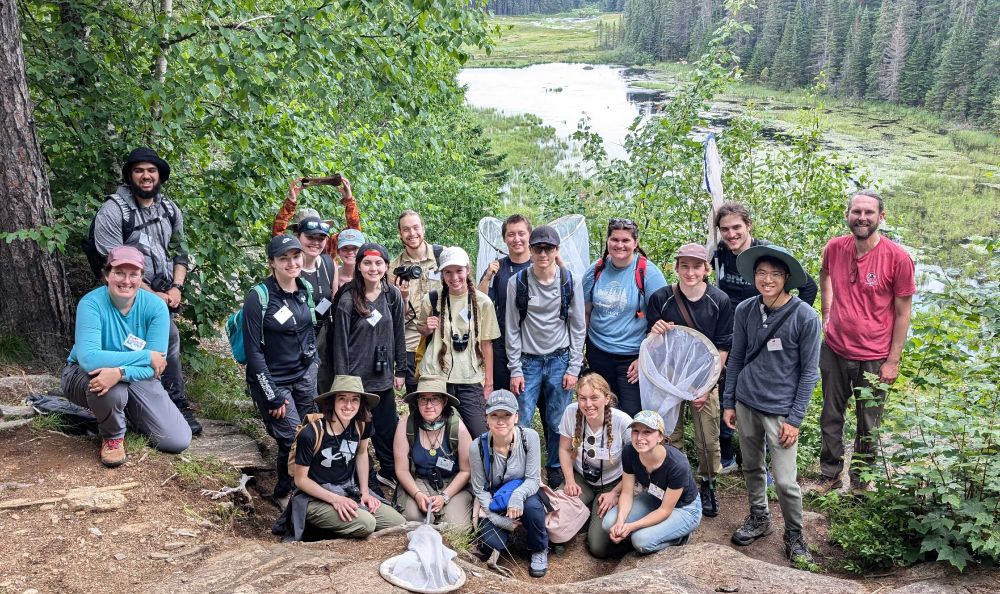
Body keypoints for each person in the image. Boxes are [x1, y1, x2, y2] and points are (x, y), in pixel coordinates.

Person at [721, 244, 821, 566]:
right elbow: (736, 357)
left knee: (785, 480)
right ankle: (759, 517)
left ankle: (794, 533)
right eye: (762, 273)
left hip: (781, 410)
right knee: (751, 466)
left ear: (787, 278)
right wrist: (729, 401)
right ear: (754, 276)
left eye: (775, 274)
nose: (767, 280)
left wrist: (795, 418)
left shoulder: (805, 317)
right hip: (746, 401)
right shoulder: (745, 310)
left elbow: (809, 372)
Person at [92, 147, 201, 435]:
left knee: (157, 347)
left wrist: (176, 287)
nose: (146, 176)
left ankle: (157, 406)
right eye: (139, 170)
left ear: (159, 176)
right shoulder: (113, 211)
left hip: (163, 293)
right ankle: (170, 405)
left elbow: (181, 252)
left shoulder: (169, 209)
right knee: (163, 339)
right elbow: (113, 266)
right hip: (123, 295)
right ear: (130, 175)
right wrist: (155, 296)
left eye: (151, 170)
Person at [816, 190, 915, 494]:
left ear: (881, 217)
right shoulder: (835, 248)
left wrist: (893, 360)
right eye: (856, 212)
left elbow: (902, 313)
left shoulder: (897, 258)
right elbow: (825, 274)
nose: (862, 218)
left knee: (868, 422)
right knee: (831, 414)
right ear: (847, 215)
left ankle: (860, 481)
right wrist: (827, 312)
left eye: (869, 213)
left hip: (874, 354)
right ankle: (829, 474)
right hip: (834, 348)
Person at [711, 202, 818, 472]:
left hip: (764, 335)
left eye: (737, 227)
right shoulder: (721, 253)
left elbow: (808, 286)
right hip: (733, 335)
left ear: (748, 226)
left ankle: (769, 465)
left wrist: (786, 321)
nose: (731, 234)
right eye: (725, 229)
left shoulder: (766, 255)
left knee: (765, 398)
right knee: (729, 392)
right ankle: (727, 457)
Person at [61, 246, 192, 466]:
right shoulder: (91, 304)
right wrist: (145, 356)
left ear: (142, 278)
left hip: (136, 376)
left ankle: (122, 412)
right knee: (110, 388)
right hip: (83, 373)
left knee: (176, 440)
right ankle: (113, 437)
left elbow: (155, 367)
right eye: (119, 272)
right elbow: (89, 359)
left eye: (134, 274)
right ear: (106, 275)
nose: (126, 280)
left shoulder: (156, 307)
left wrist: (121, 371)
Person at [646, 243, 733, 518]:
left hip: (704, 378)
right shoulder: (662, 298)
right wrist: (656, 331)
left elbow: (722, 347)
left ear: (706, 269)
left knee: (707, 437)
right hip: (669, 377)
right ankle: (677, 484)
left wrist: (707, 385)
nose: (690, 272)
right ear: (676, 267)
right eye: (685, 266)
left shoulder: (719, 300)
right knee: (670, 434)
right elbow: (653, 346)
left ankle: (708, 483)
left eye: (696, 266)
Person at [506, 225, 586, 488]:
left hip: (559, 359)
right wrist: (515, 369)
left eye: (548, 248)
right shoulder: (516, 283)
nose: (543, 253)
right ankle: (524, 471)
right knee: (523, 420)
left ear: (556, 250)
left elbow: (577, 326)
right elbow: (512, 327)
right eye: (538, 248)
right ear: (530, 250)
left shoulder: (569, 280)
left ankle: (554, 467)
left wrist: (574, 367)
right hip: (528, 361)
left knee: (556, 419)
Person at [243, 235, 319, 506]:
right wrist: (271, 394)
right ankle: (285, 493)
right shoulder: (259, 297)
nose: (291, 263)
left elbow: (310, 330)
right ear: (271, 263)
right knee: (291, 438)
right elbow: (253, 352)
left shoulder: (305, 289)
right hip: (273, 380)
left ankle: (305, 487)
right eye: (283, 258)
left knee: (311, 434)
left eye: (295, 256)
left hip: (304, 376)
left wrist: (315, 365)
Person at [288, 375, 406, 540]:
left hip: (348, 490)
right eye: (342, 399)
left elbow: (362, 453)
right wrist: (335, 500)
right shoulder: (311, 434)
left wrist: (365, 492)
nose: (349, 406)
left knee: (397, 522)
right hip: (314, 497)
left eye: (355, 400)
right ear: (332, 402)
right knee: (367, 524)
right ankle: (316, 528)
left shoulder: (360, 424)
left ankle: (344, 521)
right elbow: (300, 480)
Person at [331, 242, 406, 490]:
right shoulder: (347, 298)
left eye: (378, 263)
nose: (373, 268)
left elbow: (399, 334)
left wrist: (401, 369)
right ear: (359, 266)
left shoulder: (392, 295)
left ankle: (389, 471)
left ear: (386, 266)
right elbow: (339, 341)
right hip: (355, 379)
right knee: (357, 428)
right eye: (367, 263)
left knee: (387, 427)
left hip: (382, 376)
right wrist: (342, 381)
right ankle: (350, 474)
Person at [583, 218, 668, 417]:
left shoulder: (648, 273)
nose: (619, 245)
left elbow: (662, 322)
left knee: (631, 416)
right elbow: (585, 313)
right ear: (607, 241)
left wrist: (644, 359)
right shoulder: (595, 271)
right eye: (614, 239)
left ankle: (630, 449)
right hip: (598, 353)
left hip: (632, 358)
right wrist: (579, 350)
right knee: (601, 412)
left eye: (626, 240)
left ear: (635, 243)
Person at [416, 246, 500, 438]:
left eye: (459, 271)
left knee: (480, 434)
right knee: (435, 432)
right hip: (436, 377)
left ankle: (478, 467)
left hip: (469, 377)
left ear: (467, 270)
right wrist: (427, 327)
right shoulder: (432, 299)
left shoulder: (482, 302)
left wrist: (488, 383)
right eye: (448, 272)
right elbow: (421, 329)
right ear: (442, 274)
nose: (454, 277)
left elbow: (487, 344)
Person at [469, 390, 549, 578]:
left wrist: (517, 496)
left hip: (524, 490)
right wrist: (499, 520)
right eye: (494, 415)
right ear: (487, 418)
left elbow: (533, 479)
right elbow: (479, 488)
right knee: (491, 545)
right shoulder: (477, 447)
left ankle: (539, 548)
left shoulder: (529, 437)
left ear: (516, 417)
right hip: (494, 499)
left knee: (533, 506)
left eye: (507, 415)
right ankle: (514, 536)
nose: (500, 421)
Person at [602, 410, 702, 554]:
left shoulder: (677, 464)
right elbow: (627, 492)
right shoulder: (630, 451)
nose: (640, 437)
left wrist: (631, 527)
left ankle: (679, 537)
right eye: (635, 431)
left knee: (640, 541)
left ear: (660, 436)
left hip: (683, 507)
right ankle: (654, 531)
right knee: (609, 523)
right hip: (654, 497)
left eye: (647, 432)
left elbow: (665, 510)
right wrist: (620, 521)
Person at [557, 372, 632, 558]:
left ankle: (592, 518)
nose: (588, 404)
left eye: (594, 398)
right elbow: (564, 449)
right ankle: (585, 512)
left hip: (613, 483)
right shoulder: (571, 412)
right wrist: (569, 481)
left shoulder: (622, 421)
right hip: (581, 478)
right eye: (582, 398)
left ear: (607, 398)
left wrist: (615, 493)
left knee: (598, 547)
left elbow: (637, 465)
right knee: (554, 513)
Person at [392, 377, 474, 529]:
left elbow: (466, 471)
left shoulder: (458, 428)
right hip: (419, 481)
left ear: (444, 401)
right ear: (417, 402)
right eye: (423, 399)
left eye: (434, 399)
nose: (428, 405)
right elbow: (401, 469)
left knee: (456, 528)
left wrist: (444, 497)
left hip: (452, 483)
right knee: (414, 520)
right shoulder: (406, 426)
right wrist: (417, 495)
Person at [389, 210, 443, 394]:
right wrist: (402, 298)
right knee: (416, 396)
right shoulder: (394, 269)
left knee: (444, 395)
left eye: (415, 228)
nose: (412, 234)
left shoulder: (442, 257)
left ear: (423, 229)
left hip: (442, 338)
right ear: (400, 234)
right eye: (406, 229)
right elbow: (395, 317)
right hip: (411, 342)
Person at [478, 214, 533, 392]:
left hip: (534, 344)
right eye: (511, 234)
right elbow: (480, 301)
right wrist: (487, 277)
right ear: (504, 239)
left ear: (529, 236)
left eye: (521, 233)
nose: (516, 239)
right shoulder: (498, 268)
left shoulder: (540, 264)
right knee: (503, 396)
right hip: (503, 344)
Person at [286, 213, 338, 394]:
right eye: (310, 237)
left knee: (322, 382)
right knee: (299, 385)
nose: (316, 242)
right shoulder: (288, 266)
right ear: (298, 236)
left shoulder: (328, 264)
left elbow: (335, 300)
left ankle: (320, 420)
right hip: (293, 336)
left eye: (321, 237)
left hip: (321, 334)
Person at [272, 174, 362, 258]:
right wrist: (291, 201)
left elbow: (354, 234)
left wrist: (349, 200)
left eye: (319, 236)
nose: (315, 242)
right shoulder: (290, 253)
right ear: (297, 234)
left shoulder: (327, 248)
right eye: (309, 235)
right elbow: (278, 235)